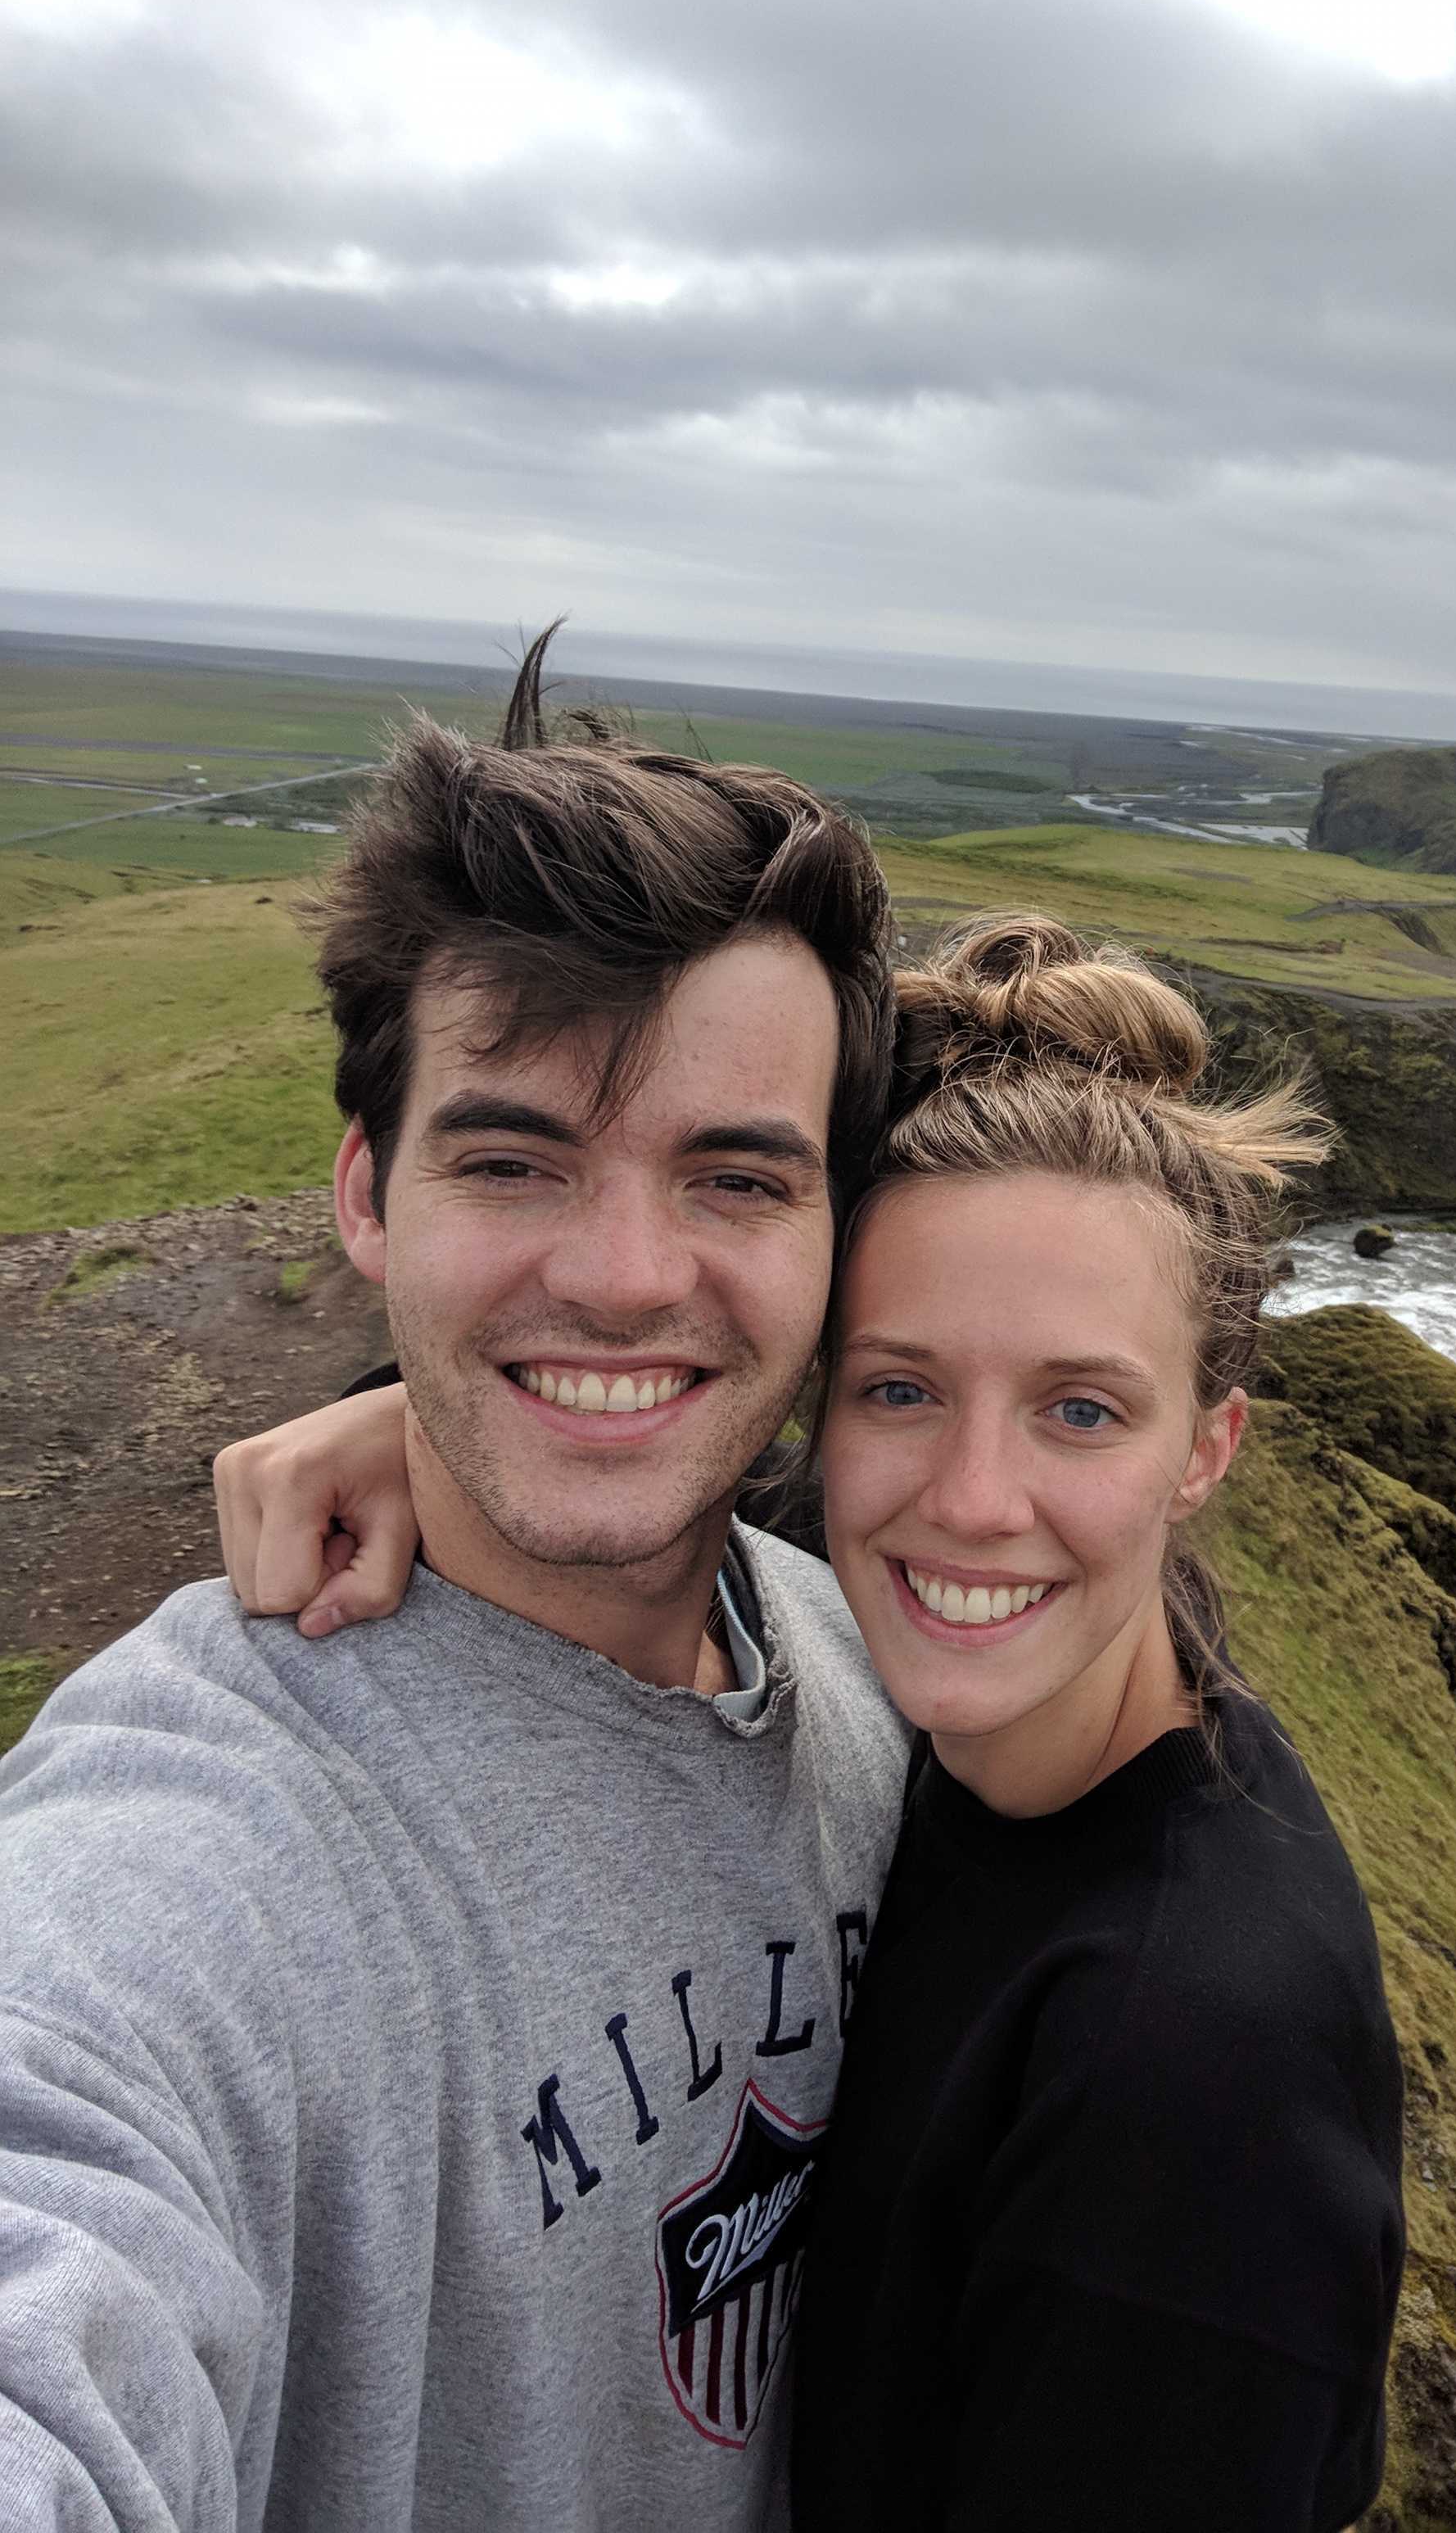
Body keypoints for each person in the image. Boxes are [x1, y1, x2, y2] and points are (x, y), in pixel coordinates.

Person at [215, 915, 1409, 2526]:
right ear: (823, 1402)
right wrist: (413, 1426)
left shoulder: (1193, 2089)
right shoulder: (989, 1678)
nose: (971, 1502)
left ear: (1208, 1446)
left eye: (1081, 1410)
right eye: (900, 1389)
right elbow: (658, 1453)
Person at [0, 636, 911, 2531]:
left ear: (841, 1233)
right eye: (513, 1163)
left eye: (738, 1180)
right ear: (364, 1195)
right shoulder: (200, 1853)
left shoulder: (869, 1662)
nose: (626, 1277)